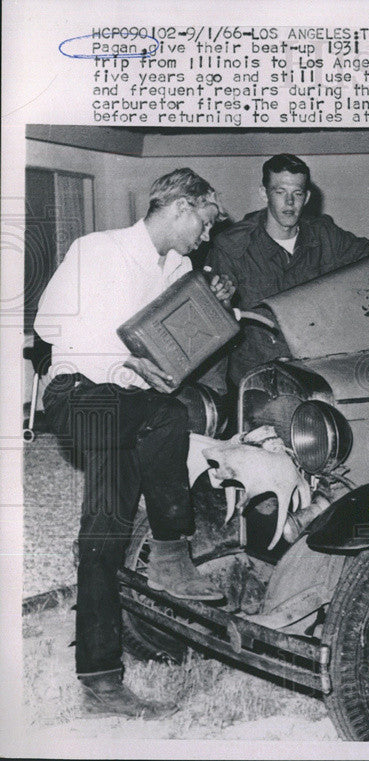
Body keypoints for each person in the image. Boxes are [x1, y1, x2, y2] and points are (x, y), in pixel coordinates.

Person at [35, 168, 236, 719]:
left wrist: (210, 306)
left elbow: (175, 352)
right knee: (169, 415)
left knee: (103, 537)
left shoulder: (179, 269)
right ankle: (172, 552)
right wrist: (127, 358)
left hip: (128, 412)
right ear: (178, 207)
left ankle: (101, 679)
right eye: (205, 220)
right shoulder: (96, 249)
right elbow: (51, 329)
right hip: (78, 397)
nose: (207, 234)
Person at [207, 153, 369, 384]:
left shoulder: (325, 235)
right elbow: (215, 324)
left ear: (307, 197)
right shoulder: (232, 246)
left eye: (297, 194)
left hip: (316, 373)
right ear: (263, 193)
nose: (290, 203)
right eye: (280, 192)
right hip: (258, 382)